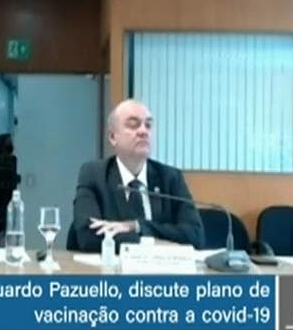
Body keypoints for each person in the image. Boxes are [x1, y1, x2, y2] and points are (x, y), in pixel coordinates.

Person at [72, 99, 204, 252]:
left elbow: (195, 235)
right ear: (113, 137)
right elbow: (88, 236)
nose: (143, 131)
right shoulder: (94, 174)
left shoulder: (171, 177)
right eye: (133, 125)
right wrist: (151, 243)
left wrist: (137, 226)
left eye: (148, 125)